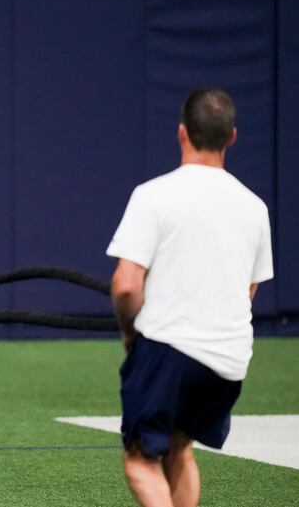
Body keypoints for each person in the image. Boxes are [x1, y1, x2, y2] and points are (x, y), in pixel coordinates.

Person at [106, 88, 273, 507]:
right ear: (230, 137)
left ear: (182, 133)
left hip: (171, 350)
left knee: (141, 461)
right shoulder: (255, 209)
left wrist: (131, 335)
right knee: (180, 447)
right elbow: (247, 293)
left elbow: (126, 285)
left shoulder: (154, 195)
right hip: (230, 363)